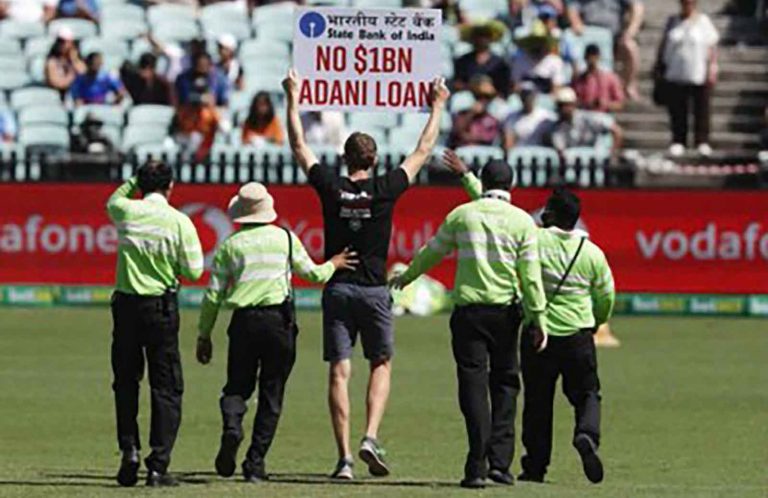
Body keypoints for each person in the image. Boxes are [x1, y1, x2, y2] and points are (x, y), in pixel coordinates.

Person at [283, 68, 450, 480]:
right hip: (375, 291)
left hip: (338, 287)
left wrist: (293, 97)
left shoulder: (330, 186)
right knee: (381, 363)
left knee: (339, 371)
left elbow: (299, 145)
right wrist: (438, 105)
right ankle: (370, 436)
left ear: (344, 159)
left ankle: (343, 460)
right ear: (373, 161)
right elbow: (423, 150)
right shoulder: (385, 188)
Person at [391, 151, 548, 489]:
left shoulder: (463, 215)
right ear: (512, 185)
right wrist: (538, 318)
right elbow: (531, 278)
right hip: (506, 314)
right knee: (506, 385)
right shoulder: (523, 222)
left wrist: (407, 277)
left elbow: (432, 250)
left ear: (485, 182)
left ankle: (475, 465)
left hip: (469, 315)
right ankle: (501, 464)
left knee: (473, 387)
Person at [196, 182, 358, 483]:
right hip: (279, 323)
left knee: (236, 387)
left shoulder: (230, 246)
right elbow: (312, 273)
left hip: (243, 323)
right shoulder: (284, 238)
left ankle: (232, 425)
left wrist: (204, 335)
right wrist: (334, 264)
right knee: (272, 395)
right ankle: (254, 463)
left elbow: (213, 297)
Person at [106, 161, 204, 488]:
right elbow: (193, 270)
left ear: (141, 185)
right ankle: (158, 466)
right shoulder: (179, 222)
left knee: (126, 381)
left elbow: (112, 200)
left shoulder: (127, 211)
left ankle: (129, 449)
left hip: (126, 307)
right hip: (160, 308)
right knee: (166, 387)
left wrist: (136, 178)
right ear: (171, 187)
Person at [517, 188, 615, 485]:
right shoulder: (592, 253)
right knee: (587, 393)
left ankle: (535, 467)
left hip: (539, 333)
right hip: (578, 335)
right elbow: (606, 296)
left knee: (537, 402)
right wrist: (597, 321)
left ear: (550, 215)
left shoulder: (535, 240)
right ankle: (586, 433)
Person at [655, 0, 719, 157]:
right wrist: (659, 66)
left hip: (698, 71)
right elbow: (664, 45)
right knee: (677, 110)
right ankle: (678, 141)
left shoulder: (704, 22)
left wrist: (712, 67)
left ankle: (702, 141)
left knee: (701, 109)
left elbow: (711, 46)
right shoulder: (672, 21)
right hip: (675, 72)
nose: (687, 5)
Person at [566, 0, 644, 100]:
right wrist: (576, 22)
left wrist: (631, 31)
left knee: (630, 47)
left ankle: (628, 85)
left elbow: (637, 7)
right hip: (586, 33)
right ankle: (579, 86)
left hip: (614, 36)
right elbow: (572, 6)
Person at [546, 87, 623, 157]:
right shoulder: (556, 129)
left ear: (574, 104)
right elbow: (561, 152)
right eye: (561, 105)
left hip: (596, 160)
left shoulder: (588, 118)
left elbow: (616, 131)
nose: (564, 109)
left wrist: (612, 154)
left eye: (567, 104)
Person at [454, 20, 511, 98]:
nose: (482, 39)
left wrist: (490, 91)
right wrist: (473, 87)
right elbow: (457, 84)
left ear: (491, 38)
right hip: (469, 100)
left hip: (492, 101)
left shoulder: (500, 63)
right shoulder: (463, 61)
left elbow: (504, 89)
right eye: (478, 36)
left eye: (485, 36)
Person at [171, 85, 225, 162]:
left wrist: (210, 107)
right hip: (184, 140)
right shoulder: (185, 110)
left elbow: (223, 128)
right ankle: (187, 162)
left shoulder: (210, 112)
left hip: (205, 142)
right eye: (197, 94)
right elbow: (175, 128)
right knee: (194, 137)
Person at [510, 20, 566, 94]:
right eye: (534, 43)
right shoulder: (520, 61)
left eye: (540, 43)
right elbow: (515, 85)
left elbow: (557, 88)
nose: (537, 47)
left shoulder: (555, 61)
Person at [448, 75, 502, 148]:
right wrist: (471, 113)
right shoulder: (464, 102)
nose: (483, 100)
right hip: (462, 150)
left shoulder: (495, 108)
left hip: (486, 152)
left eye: (487, 97)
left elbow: (490, 137)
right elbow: (457, 131)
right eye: (479, 96)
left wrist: (472, 137)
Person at [503, 81, 556, 149]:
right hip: (519, 155)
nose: (527, 98)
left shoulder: (546, 116)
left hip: (540, 154)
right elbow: (509, 142)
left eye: (530, 94)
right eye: (524, 94)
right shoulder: (512, 117)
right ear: (520, 96)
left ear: (535, 96)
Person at [572, 44, 625, 113]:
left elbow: (620, 104)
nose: (591, 60)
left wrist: (605, 104)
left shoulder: (610, 78)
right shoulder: (578, 80)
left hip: (603, 115)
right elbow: (572, 101)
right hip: (583, 115)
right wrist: (587, 104)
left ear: (598, 57)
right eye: (589, 57)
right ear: (585, 58)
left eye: (594, 56)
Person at [44, 28, 86, 99]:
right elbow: (57, 83)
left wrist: (74, 59)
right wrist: (72, 76)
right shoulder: (52, 62)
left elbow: (84, 73)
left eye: (66, 42)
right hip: (59, 96)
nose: (63, 45)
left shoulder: (75, 59)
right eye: (60, 42)